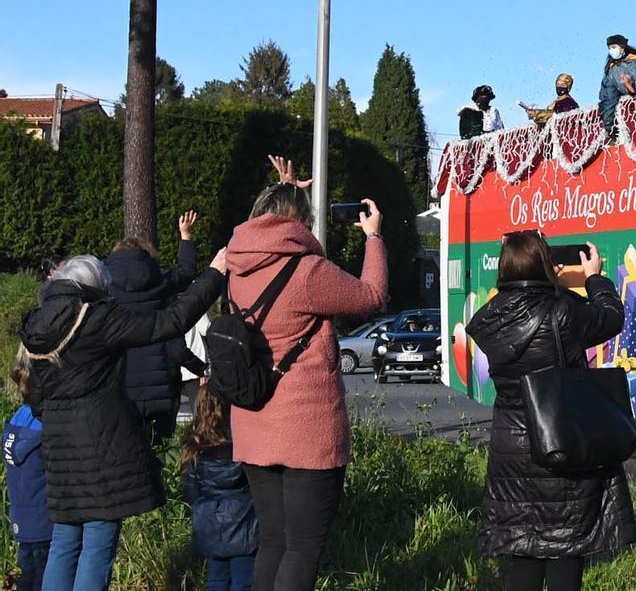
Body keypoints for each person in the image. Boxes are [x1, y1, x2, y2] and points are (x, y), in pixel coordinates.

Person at [18, 251, 226, 590]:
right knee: (98, 540)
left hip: (58, 449)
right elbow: (169, 322)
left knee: (64, 540)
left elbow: (37, 397)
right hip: (102, 443)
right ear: (93, 288)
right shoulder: (95, 319)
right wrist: (214, 275)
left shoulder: (37, 325)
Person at [226, 155, 387, 590]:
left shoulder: (237, 265)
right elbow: (370, 296)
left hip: (254, 422)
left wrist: (287, 189)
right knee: (302, 549)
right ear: (302, 222)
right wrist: (373, 238)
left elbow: (265, 229)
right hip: (306, 431)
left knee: (273, 543)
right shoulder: (307, 271)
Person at [466, 232, 636, 591]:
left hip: (511, 449)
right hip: (560, 438)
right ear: (545, 264)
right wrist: (594, 277)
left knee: (524, 550)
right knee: (565, 546)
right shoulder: (562, 311)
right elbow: (611, 317)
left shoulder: (490, 318)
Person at [106, 210, 208, 445]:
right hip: (162, 390)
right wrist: (186, 236)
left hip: (122, 389)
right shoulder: (158, 286)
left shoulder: (107, 292)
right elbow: (185, 273)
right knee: (162, 449)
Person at [182, 384, 258, 591]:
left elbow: (190, 491)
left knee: (216, 579)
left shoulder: (194, 448)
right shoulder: (243, 443)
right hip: (244, 521)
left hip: (210, 521)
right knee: (244, 581)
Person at [4, 362, 52, 591]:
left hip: (21, 518)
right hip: (43, 517)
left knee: (28, 573)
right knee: (43, 576)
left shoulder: (14, 423)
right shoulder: (43, 423)